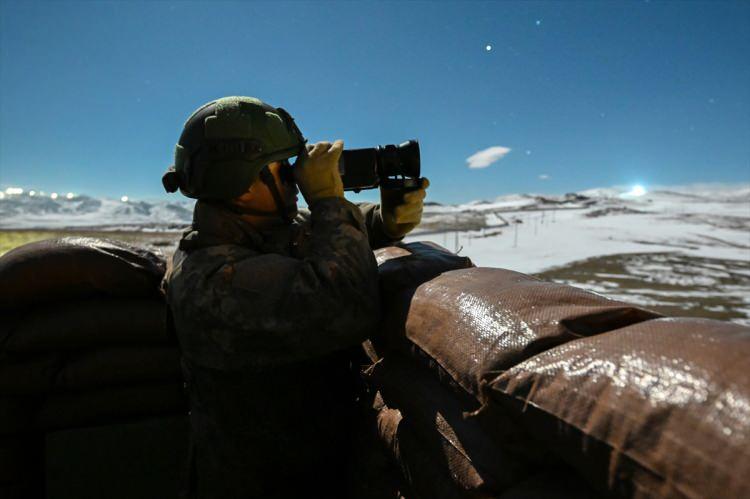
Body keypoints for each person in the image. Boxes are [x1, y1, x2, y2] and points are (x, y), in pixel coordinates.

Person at [161, 96, 428, 498]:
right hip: (261, 480)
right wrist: (328, 200)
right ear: (242, 182)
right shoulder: (209, 278)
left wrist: (385, 221)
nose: (295, 180)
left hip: (317, 464)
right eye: (284, 169)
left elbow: (312, 235)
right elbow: (348, 305)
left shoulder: (258, 229)